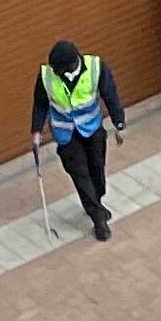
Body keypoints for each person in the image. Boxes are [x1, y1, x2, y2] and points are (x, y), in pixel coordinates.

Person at [32, 34, 124, 241]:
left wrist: (118, 123)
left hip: (92, 129)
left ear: (70, 64)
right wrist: (36, 130)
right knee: (80, 174)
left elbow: (110, 94)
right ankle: (98, 220)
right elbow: (40, 103)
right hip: (66, 135)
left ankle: (97, 202)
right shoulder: (47, 76)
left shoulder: (96, 67)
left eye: (58, 69)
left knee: (96, 170)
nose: (55, 72)